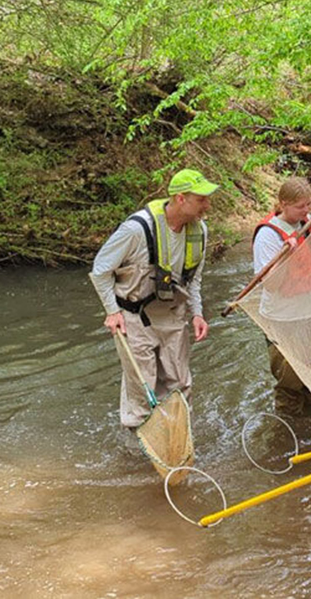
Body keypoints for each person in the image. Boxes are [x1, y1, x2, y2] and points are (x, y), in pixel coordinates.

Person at [91, 168, 217, 428]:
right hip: (133, 317)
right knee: (142, 387)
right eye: (201, 199)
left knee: (180, 384)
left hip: (172, 316)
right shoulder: (136, 229)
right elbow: (101, 270)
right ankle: (137, 451)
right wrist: (112, 311)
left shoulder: (200, 231)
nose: (208, 205)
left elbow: (194, 279)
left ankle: (178, 440)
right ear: (181, 198)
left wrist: (197, 313)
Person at [252, 176, 311, 418]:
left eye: (309, 205)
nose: (306, 210)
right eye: (300, 206)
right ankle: (286, 438)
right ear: (283, 204)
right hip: (283, 319)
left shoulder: (308, 223)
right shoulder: (268, 236)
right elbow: (271, 283)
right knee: (290, 384)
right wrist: (287, 256)